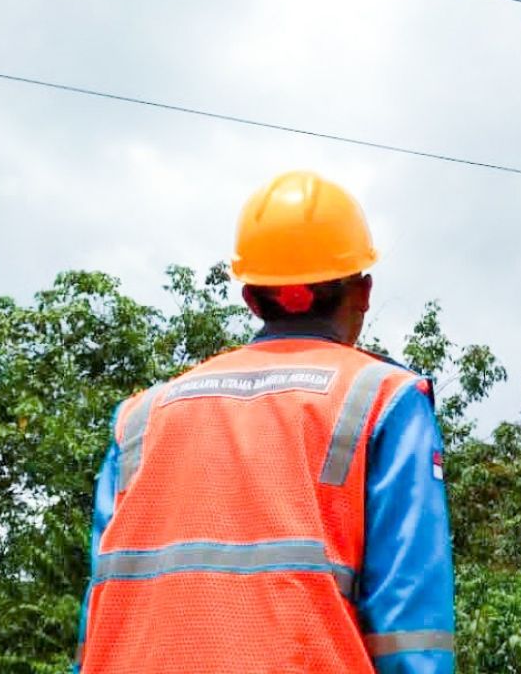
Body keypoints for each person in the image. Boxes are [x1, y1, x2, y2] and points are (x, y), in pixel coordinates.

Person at [73, 171, 455, 674]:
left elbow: (101, 605)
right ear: (363, 292)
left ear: (251, 298)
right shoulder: (384, 399)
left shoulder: (141, 418)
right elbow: (408, 628)